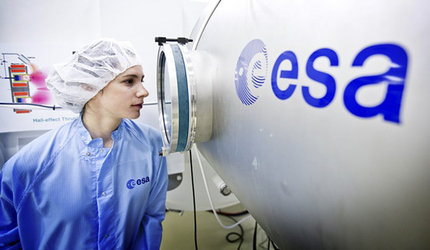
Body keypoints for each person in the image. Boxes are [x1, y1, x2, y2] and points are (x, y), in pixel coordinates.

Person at [0, 38, 168, 249]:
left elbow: (151, 221)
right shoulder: (30, 164)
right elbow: (6, 240)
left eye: (142, 80)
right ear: (90, 86)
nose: (144, 91)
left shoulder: (152, 146)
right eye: (129, 81)